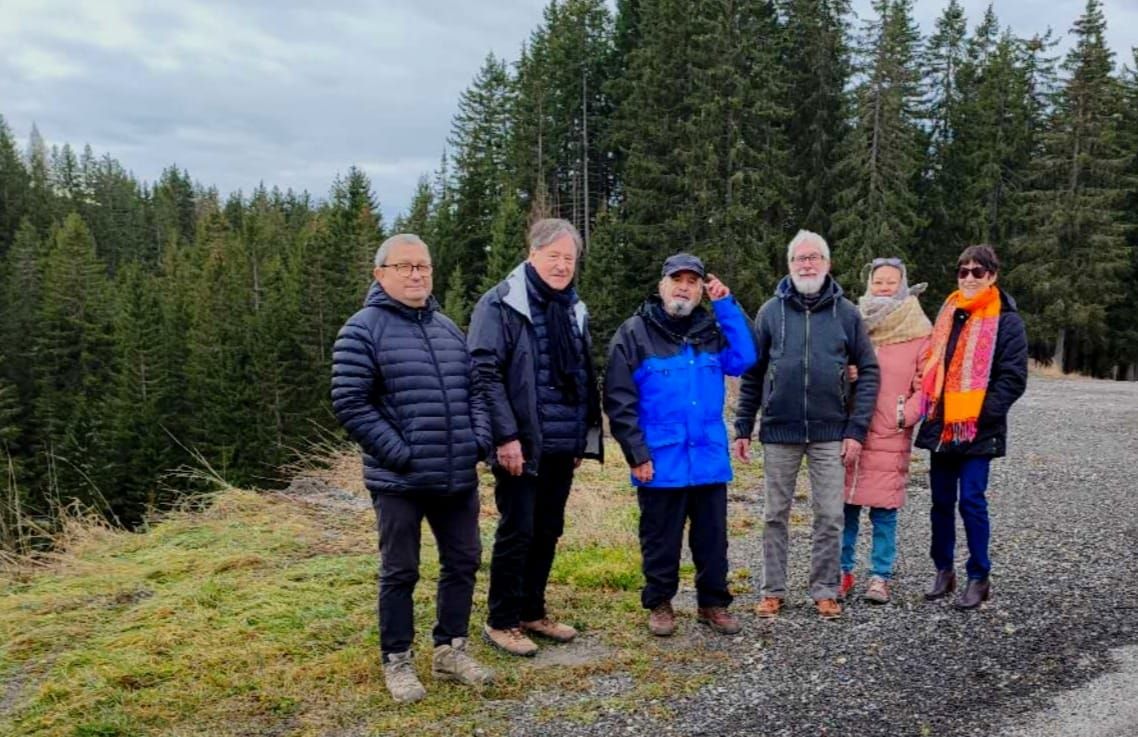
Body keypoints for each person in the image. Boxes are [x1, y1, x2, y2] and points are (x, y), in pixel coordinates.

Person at [331, 234, 494, 704]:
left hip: (456, 474)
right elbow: (350, 402)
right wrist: (401, 454)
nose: (417, 274)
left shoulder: (446, 328)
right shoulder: (361, 329)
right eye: (405, 267)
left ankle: (450, 650)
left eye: (423, 266)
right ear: (381, 274)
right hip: (399, 479)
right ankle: (397, 660)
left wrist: (477, 442)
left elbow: (476, 392)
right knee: (401, 571)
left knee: (463, 561)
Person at [467, 218, 603, 656]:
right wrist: (505, 437)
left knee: (548, 528)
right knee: (518, 529)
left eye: (569, 258)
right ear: (533, 254)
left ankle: (531, 610)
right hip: (520, 442)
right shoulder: (501, 303)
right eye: (554, 257)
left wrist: (583, 435)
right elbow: (484, 375)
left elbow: (581, 373)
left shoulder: (572, 306)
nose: (562, 266)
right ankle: (501, 620)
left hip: (561, 441)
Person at [604, 254, 757, 637]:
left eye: (693, 281)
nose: (684, 287)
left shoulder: (711, 329)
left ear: (701, 289)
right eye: (677, 279)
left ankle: (713, 604)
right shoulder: (635, 332)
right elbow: (619, 400)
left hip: (706, 458)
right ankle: (659, 603)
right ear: (662, 286)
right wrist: (636, 454)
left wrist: (725, 305)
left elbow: (745, 358)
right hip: (660, 459)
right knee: (660, 540)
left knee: (712, 540)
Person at [733, 229, 880, 620]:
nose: (807, 264)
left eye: (814, 257)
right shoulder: (770, 312)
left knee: (830, 515)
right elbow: (753, 373)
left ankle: (824, 589)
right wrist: (743, 426)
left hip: (832, 431)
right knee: (773, 514)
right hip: (780, 430)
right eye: (800, 258)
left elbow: (867, 372)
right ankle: (772, 590)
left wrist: (856, 430)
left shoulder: (847, 314)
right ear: (789, 265)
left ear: (827, 264)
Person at [916, 244, 1027, 610]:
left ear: (992, 276)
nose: (968, 278)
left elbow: (1013, 379)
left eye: (977, 272)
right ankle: (943, 570)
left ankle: (979, 576)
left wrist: (978, 415)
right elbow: (932, 365)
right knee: (941, 502)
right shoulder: (948, 312)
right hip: (942, 426)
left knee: (973, 502)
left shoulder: (1006, 320)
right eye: (963, 271)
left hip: (978, 428)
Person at [839, 258, 932, 605]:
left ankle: (880, 576)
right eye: (878, 282)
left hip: (889, 431)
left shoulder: (919, 330)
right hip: (851, 428)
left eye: (891, 282)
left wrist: (904, 415)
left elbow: (927, 383)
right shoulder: (856, 322)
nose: (884, 287)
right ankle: (842, 572)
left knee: (884, 511)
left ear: (903, 285)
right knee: (844, 506)